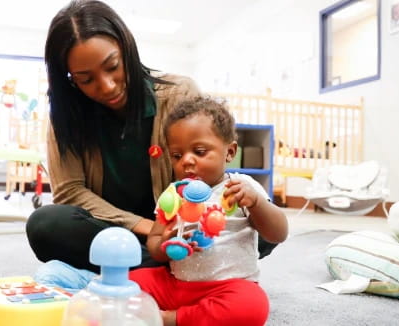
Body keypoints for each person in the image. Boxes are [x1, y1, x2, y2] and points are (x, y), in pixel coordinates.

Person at [26, 0, 278, 282]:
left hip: (181, 225)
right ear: (70, 81)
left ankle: (124, 270)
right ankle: (176, 271)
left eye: (112, 66)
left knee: (262, 223)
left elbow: (206, 174)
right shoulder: (66, 117)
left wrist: (191, 224)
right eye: (86, 79)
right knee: (45, 226)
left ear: (126, 49)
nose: (107, 86)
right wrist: (148, 229)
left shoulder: (179, 93)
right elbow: (70, 193)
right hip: (117, 229)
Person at [128, 96, 289, 326]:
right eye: (177, 155)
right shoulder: (173, 195)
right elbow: (154, 243)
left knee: (253, 305)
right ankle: (190, 314)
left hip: (228, 287)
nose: (187, 161)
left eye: (200, 151)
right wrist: (165, 241)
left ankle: (173, 318)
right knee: (129, 281)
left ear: (230, 152)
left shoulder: (240, 187)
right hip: (176, 286)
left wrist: (257, 204)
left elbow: (278, 233)